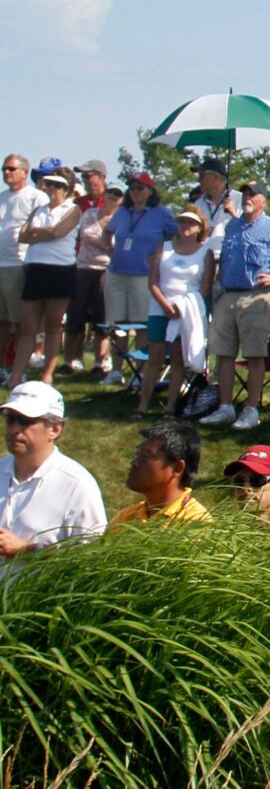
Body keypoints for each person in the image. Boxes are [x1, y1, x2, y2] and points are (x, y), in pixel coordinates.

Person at [198, 182, 270, 431]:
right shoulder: (232, 225)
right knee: (223, 354)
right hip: (227, 295)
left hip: (256, 297)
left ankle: (251, 410)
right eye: (245, 194)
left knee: (255, 354)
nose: (248, 198)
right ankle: (225, 407)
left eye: (253, 195)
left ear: (263, 201)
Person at [0, 382, 106, 571]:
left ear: (55, 429)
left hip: (39, 598)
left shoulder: (77, 486)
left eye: (25, 421)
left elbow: (90, 558)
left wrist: (26, 549)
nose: (14, 429)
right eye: (10, 420)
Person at [104, 174, 178, 384]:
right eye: (132, 188)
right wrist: (110, 250)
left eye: (140, 188)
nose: (135, 192)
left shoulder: (161, 214)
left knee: (142, 324)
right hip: (118, 272)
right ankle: (116, 370)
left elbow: (180, 235)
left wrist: (161, 257)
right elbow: (107, 231)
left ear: (151, 191)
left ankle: (141, 372)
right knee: (118, 323)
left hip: (144, 275)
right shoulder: (122, 212)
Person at [137, 207, 209, 418]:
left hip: (187, 309)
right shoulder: (165, 247)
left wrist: (183, 306)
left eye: (190, 223)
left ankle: (170, 407)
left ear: (199, 227)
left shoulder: (205, 252)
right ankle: (142, 405)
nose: (185, 226)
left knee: (178, 359)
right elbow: (153, 281)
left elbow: (205, 287)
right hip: (160, 308)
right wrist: (165, 305)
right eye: (182, 222)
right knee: (155, 358)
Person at [13, 167, 82, 387]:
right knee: (27, 327)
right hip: (35, 269)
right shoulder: (39, 210)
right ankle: (16, 375)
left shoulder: (73, 210)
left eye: (57, 185)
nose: (52, 188)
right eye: (49, 184)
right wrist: (44, 232)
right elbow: (23, 236)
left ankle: (47, 375)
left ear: (67, 188)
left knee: (53, 326)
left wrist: (39, 233)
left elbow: (57, 233)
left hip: (60, 270)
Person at [61, 160, 119, 375]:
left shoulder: (115, 201)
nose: (85, 181)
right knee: (75, 314)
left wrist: (103, 233)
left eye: (89, 176)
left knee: (101, 316)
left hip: (106, 268)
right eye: (83, 177)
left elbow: (111, 240)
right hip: (81, 264)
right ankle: (71, 360)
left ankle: (100, 362)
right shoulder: (81, 204)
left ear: (102, 177)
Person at [109, 419, 211, 528]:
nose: (134, 463)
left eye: (146, 456)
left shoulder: (196, 523)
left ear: (177, 468)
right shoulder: (125, 517)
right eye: (137, 454)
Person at [0, 155, 48, 382]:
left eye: (11, 169)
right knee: (1, 321)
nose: (6, 173)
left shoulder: (36, 197)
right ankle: (2, 367)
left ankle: (18, 369)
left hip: (19, 263)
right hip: (0, 264)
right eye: (4, 169)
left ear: (24, 171)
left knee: (20, 322)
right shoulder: (1, 198)